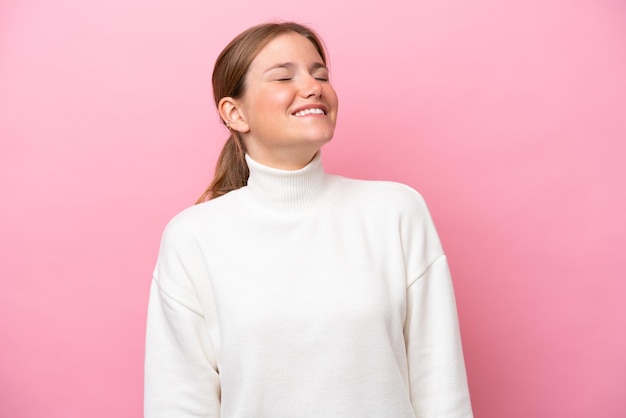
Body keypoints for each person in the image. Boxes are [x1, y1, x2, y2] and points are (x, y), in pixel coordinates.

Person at [144, 22, 473, 418]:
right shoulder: (193, 237)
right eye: (284, 76)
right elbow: (178, 404)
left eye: (321, 75)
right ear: (235, 113)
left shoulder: (396, 212)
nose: (314, 86)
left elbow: (440, 386)